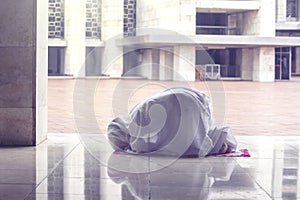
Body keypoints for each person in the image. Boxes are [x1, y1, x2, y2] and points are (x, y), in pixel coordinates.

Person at [108, 87, 237, 157]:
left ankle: (192, 142)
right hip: (191, 99)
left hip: (186, 104)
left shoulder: (137, 123)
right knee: (187, 130)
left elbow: (141, 147)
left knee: (186, 135)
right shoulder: (135, 112)